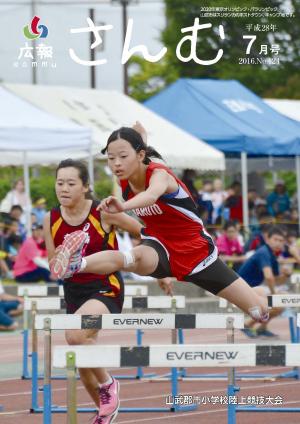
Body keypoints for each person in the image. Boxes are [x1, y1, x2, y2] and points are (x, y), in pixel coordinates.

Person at [51, 124, 270, 328]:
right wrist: (139, 137)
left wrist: (123, 205)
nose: (116, 163)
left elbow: (151, 195)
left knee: (259, 312)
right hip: (160, 247)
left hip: (196, 253)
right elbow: (137, 154)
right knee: (130, 258)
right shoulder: (124, 179)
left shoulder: (160, 175)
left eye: (123, 156)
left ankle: (255, 295)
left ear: (140, 155)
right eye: (111, 158)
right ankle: (76, 264)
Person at [44, 158, 170, 424]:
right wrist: (62, 259)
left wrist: (159, 271)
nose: (63, 188)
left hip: (105, 287)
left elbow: (145, 233)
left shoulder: (103, 212)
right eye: (59, 183)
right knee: (82, 355)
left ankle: (109, 383)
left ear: (85, 186)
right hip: (74, 292)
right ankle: (104, 411)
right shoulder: (51, 218)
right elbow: (54, 263)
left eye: (70, 183)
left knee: (76, 336)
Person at [238, 226, 292, 338]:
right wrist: (274, 295)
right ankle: (247, 324)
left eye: (281, 241)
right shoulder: (264, 252)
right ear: (268, 239)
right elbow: (269, 277)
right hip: (241, 289)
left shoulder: (272, 256)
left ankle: (261, 328)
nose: (278, 243)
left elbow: (276, 280)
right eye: (275, 239)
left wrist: (286, 275)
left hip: (253, 289)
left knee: (284, 299)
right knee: (280, 298)